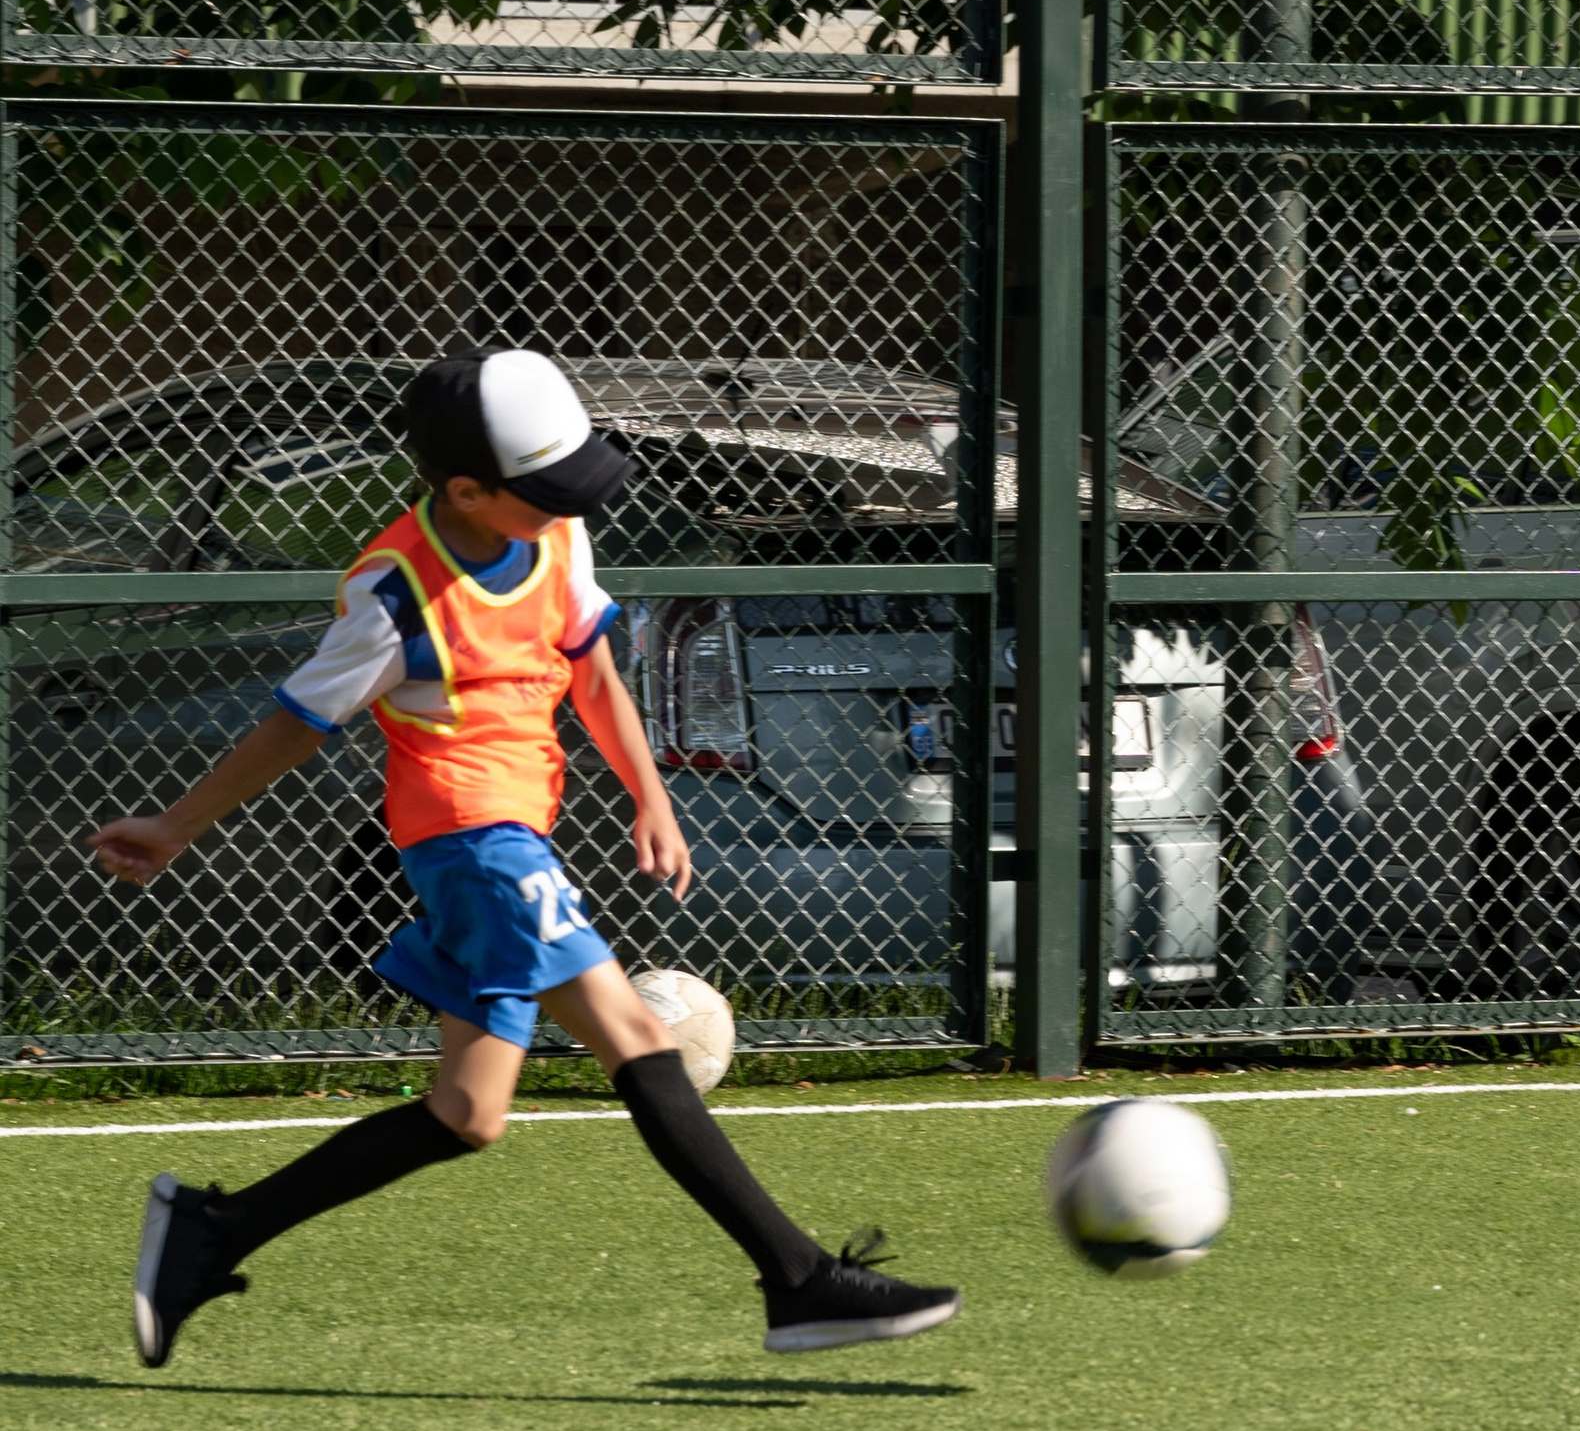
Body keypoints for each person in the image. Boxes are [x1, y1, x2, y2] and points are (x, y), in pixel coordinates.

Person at [97, 346, 958, 1369]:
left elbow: (590, 665)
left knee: (469, 1112)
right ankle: (799, 1279)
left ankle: (211, 1233)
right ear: (466, 490)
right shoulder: (396, 594)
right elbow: (299, 721)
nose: (568, 508)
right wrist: (176, 825)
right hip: (471, 842)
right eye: (547, 492)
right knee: (631, 1032)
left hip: (515, 834)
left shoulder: (553, 530)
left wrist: (650, 792)